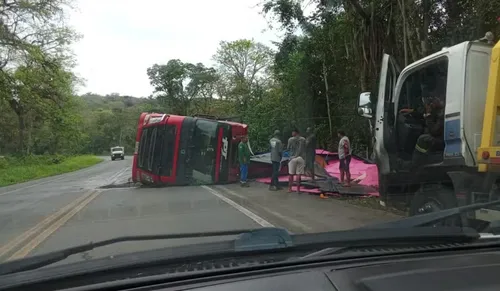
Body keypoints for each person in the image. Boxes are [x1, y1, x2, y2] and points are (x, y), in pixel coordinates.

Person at [412, 96, 444, 168]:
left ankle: (415, 164)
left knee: (422, 139)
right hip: (439, 137)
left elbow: (434, 131)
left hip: (441, 140)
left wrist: (428, 116)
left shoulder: (441, 114)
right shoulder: (437, 111)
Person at [287, 128, 306, 193]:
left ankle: (290, 189)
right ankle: (298, 190)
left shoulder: (290, 139)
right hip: (300, 158)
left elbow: (288, 148)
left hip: (292, 158)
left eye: (292, 132)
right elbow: (304, 148)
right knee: (298, 174)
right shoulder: (303, 139)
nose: (292, 133)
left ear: (295, 132)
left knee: (291, 174)